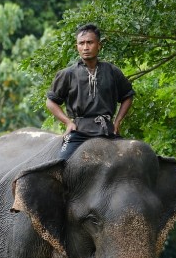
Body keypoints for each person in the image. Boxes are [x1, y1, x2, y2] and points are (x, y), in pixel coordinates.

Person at [46, 24, 135, 159]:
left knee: (129, 160)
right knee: (61, 163)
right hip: (78, 132)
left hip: (107, 131)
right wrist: (68, 122)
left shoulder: (112, 71)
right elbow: (51, 101)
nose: (85, 47)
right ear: (77, 47)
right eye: (81, 43)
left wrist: (117, 122)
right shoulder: (68, 74)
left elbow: (128, 96)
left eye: (90, 42)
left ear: (99, 45)